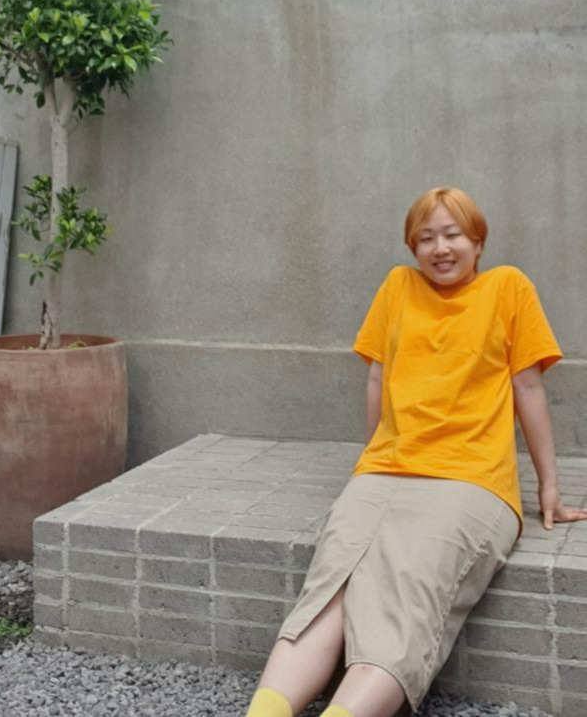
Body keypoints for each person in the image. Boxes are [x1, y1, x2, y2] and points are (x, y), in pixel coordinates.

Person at [245, 186, 587, 717]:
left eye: (452, 234)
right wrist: (369, 464)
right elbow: (376, 379)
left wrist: (549, 487)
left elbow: (528, 388)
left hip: (469, 481)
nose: (440, 248)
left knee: (404, 599)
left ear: (478, 241)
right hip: (385, 471)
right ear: (412, 247)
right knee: (330, 588)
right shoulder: (398, 286)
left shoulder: (508, 287)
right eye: (425, 238)